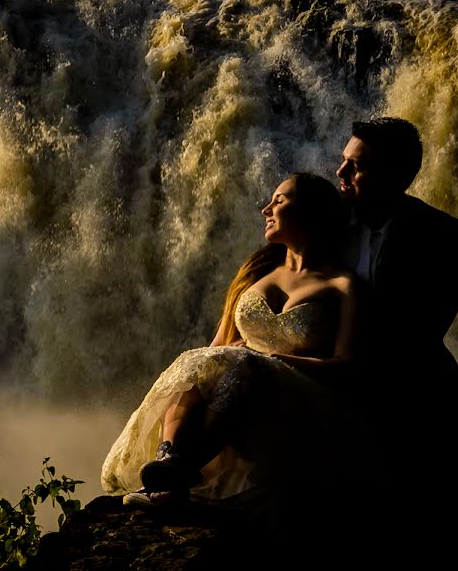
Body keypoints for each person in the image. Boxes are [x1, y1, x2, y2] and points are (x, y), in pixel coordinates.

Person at [101, 173, 361, 518]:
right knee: (198, 364)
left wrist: (277, 360)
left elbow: (348, 365)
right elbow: (216, 348)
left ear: (312, 211)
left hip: (298, 404)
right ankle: (171, 460)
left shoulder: (343, 284)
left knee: (249, 365)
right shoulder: (254, 275)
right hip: (235, 400)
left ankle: (176, 479)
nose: (266, 208)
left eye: (279, 200)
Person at [335, 117, 458, 515]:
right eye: (343, 160)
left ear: (395, 177)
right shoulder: (327, 218)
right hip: (325, 373)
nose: (340, 172)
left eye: (355, 166)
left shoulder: (439, 233)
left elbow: (426, 329)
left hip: (410, 389)